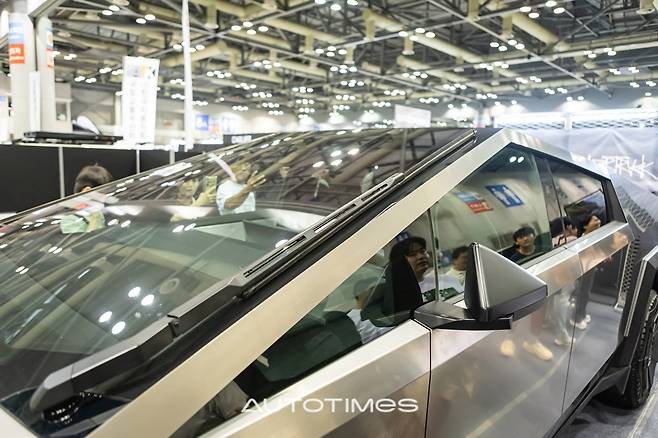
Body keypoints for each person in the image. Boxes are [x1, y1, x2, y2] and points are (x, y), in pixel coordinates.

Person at [346, 279, 393, 344]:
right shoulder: (350, 320)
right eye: (372, 290)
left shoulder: (382, 309)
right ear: (361, 293)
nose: (376, 293)